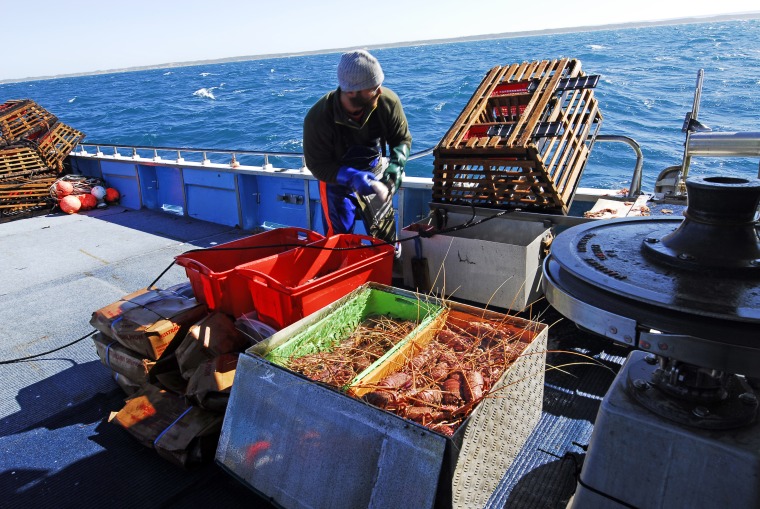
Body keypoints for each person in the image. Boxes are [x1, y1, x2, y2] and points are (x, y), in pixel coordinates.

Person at [303, 49, 412, 243]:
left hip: (376, 173)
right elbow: (318, 165)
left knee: (386, 240)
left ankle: (388, 266)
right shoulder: (318, 117)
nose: (380, 90)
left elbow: (402, 140)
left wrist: (393, 175)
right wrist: (351, 177)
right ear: (352, 91)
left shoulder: (387, 101)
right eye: (373, 87)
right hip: (336, 181)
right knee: (339, 240)